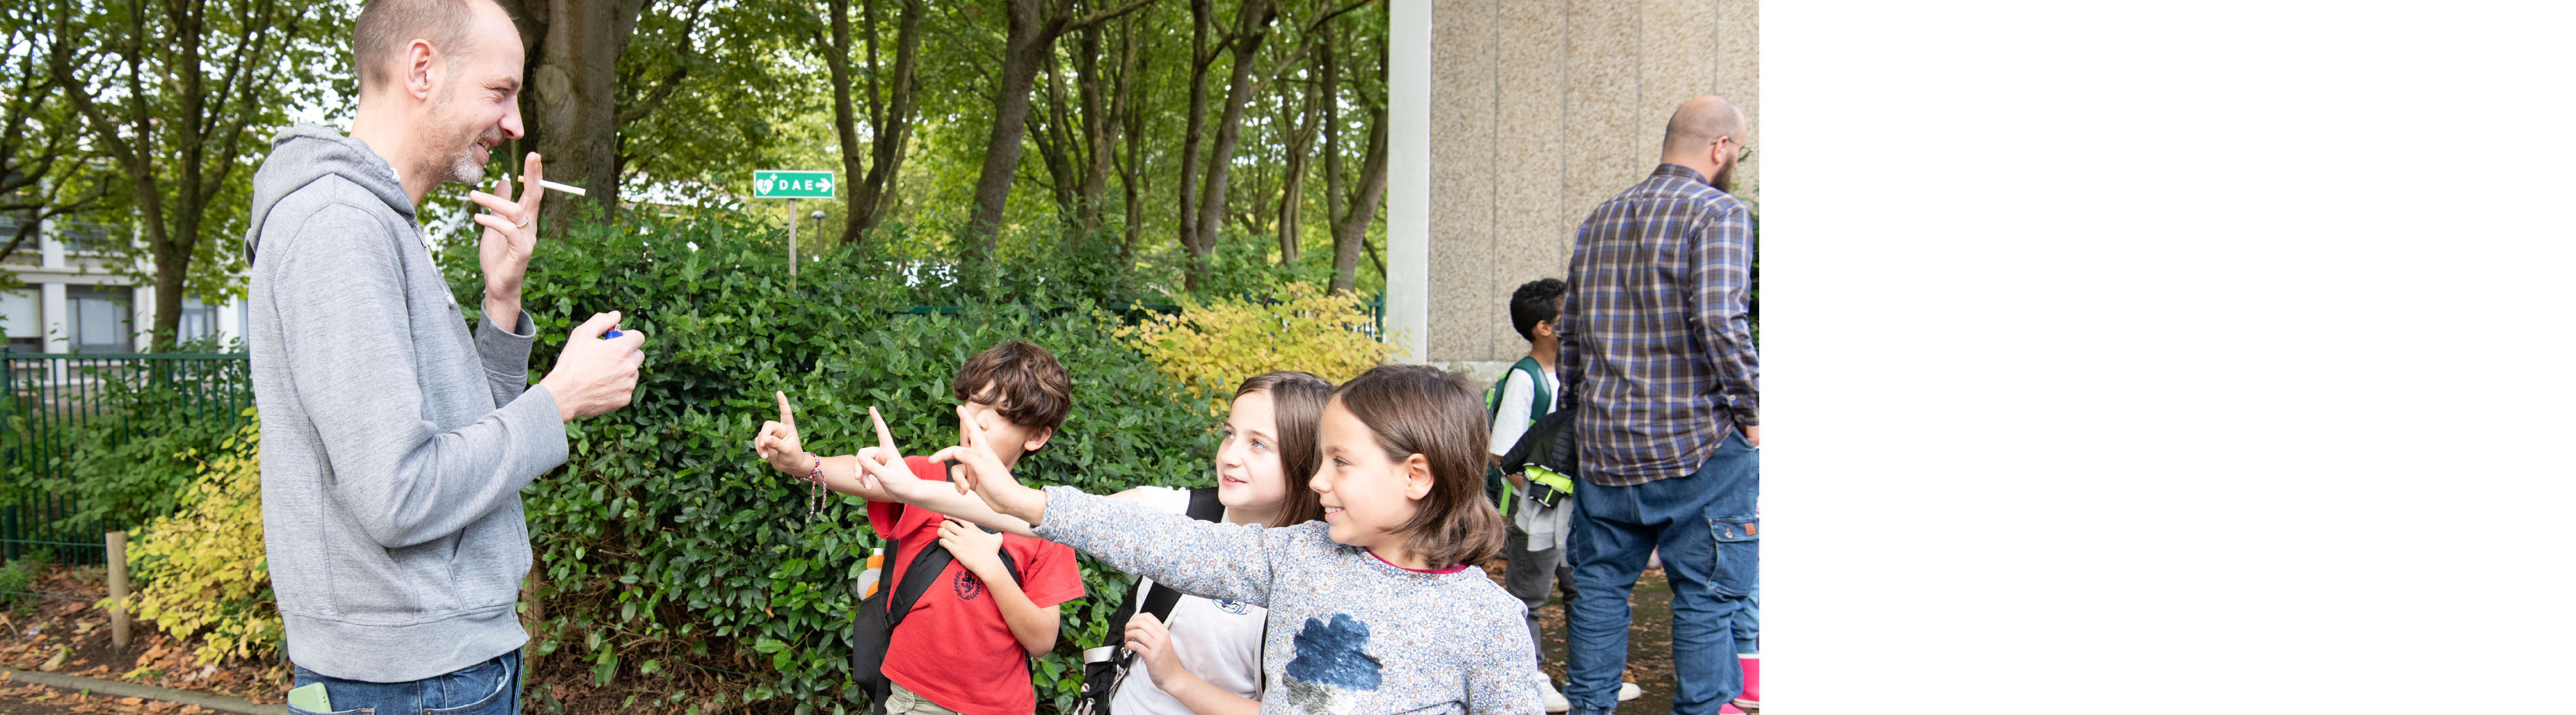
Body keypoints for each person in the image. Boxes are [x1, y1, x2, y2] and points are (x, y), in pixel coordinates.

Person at [246, 0, 646, 710]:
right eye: (499, 92)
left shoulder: (380, 221)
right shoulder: (338, 224)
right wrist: (560, 398)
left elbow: (459, 440)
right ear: (421, 69)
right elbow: (398, 495)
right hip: (411, 679)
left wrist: (500, 301)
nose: (516, 123)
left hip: (434, 666)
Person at [856, 364, 1545, 715]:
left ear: (1415, 476)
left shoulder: (1486, 620)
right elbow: (1147, 536)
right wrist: (1012, 497)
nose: (1320, 477)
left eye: (1340, 462)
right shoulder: (1296, 556)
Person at [1555, 95, 1760, 715]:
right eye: (1739, 152)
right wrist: (1753, 412)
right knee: (1704, 597)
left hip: (1606, 445)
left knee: (1596, 590)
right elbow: (1720, 319)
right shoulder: (1720, 213)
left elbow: (1571, 334)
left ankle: (1589, 708)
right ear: (1720, 148)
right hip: (1696, 444)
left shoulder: (1601, 218)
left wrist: (1575, 415)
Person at [752, 342, 1087, 715]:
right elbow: (865, 475)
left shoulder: (1048, 523)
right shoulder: (924, 477)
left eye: (1004, 413)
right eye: (976, 403)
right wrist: (801, 462)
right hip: (916, 702)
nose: (980, 421)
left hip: (1004, 707)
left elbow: (1042, 640)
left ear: (1037, 437)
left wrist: (991, 570)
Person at [1110, 372, 1332, 715]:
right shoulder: (1186, 513)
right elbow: (1079, 516)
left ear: (1306, 461)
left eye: (1258, 444)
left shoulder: (1319, 579)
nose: (1230, 456)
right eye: (1230, 435)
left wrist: (1175, 679)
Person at [1485, 279, 1626, 713]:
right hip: (1536, 514)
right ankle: (1531, 678)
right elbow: (1501, 454)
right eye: (1572, 314)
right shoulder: (1526, 380)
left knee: (1581, 589)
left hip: (1576, 511)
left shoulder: (1577, 374)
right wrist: (1540, 504)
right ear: (1545, 328)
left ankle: (1593, 678)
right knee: (1527, 595)